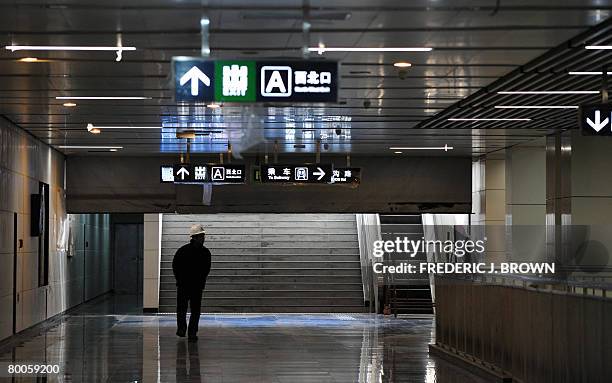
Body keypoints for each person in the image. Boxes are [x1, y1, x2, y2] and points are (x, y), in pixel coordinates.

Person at [172, 224, 212, 341]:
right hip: (191, 286)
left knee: (187, 310)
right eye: (201, 236)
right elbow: (206, 269)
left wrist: (180, 280)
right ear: (195, 237)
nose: (203, 238)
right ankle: (189, 332)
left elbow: (175, 267)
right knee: (190, 310)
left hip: (188, 286)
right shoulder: (204, 252)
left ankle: (186, 331)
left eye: (203, 236)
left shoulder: (183, 251)